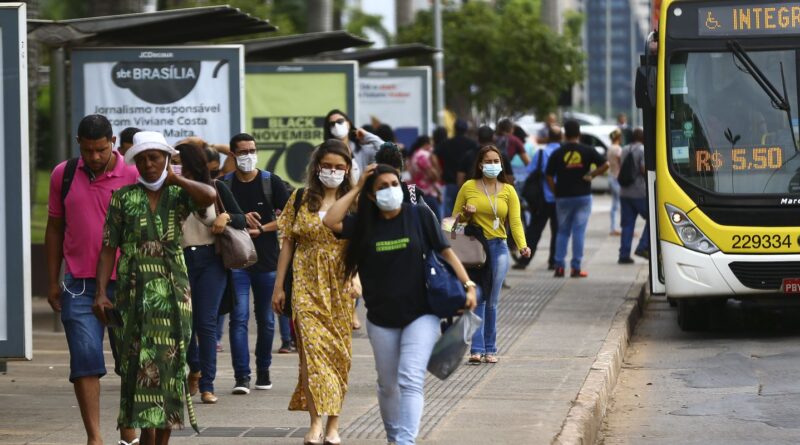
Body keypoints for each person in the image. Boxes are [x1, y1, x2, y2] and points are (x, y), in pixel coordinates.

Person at [323, 164, 478, 445]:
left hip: (422, 313)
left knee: (410, 379)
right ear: (371, 196)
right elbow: (330, 221)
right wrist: (357, 187)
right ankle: (395, 438)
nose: (390, 190)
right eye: (382, 187)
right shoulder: (363, 224)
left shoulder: (419, 215)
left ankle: (405, 441)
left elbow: (445, 250)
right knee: (387, 384)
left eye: (394, 184)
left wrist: (468, 284)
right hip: (381, 318)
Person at [94, 131, 216, 442]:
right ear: (135, 162)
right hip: (132, 291)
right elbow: (109, 247)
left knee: (169, 364)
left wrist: (178, 180)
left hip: (173, 290)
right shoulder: (123, 197)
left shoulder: (179, 195)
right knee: (135, 364)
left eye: (155, 157)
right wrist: (100, 293)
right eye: (143, 159)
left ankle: (160, 439)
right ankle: (143, 435)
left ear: (166, 160)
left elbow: (209, 197)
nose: (149, 164)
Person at [45, 114, 139, 445]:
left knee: (131, 359)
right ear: (78, 146)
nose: (95, 157)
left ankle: (128, 422)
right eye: (88, 151)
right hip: (79, 284)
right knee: (85, 359)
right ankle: (95, 437)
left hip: (127, 283)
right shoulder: (64, 174)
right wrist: (53, 281)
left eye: (101, 149)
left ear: (113, 143)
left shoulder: (133, 173)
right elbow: (55, 227)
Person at [272, 139, 357, 445]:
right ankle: (315, 422)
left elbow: (361, 245)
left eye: (339, 167)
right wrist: (279, 286)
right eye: (327, 166)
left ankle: (334, 424)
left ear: (347, 169)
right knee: (311, 355)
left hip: (340, 287)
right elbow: (287, 244)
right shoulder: (299, 198)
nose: (333, 171)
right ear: (317, 167)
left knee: (338, 356)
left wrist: (357, 278)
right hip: (305, 283)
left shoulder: (355, 201)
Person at [174, 142, 246, 404]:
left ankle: (207, 384)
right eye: (173, 162)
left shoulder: (215, 187)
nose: (174, 167)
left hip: (210, 260)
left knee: (205, 322)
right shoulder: (169, 189)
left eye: (179, 161)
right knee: (185, 323)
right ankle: (194, 368)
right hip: (179, 259)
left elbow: (240, 218)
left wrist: (224, 218)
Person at [221, 133, 291, 394]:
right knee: (238, 318)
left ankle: (263, 370)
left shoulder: (271, 181)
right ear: (233, 155)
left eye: (252, 150)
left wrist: (263, 228)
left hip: (267, 261)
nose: (248, 156)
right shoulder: (224, 184)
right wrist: (236, 219)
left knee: (266, 319)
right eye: (242, 152)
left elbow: (289, 218)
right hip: (236, 261)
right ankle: (242, 376)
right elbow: (216, 218)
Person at [453, 145, 530, 364]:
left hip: (498, 248)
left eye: (496, 162)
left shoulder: (508, 190)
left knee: (491, 299)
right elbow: (452, 222)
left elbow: (515, 222)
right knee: (479, 297)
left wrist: (523, 246)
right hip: (475, 249)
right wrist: (466, 216)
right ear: (480, 164)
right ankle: (476, 350)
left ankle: (490, 349)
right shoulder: (469, 187)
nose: (493, 165)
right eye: (488, 161)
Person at [545, 120, 609, 278]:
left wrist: (555, 191)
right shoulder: (587, 150)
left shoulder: (558, 152)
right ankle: (576, 268)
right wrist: (591, 175)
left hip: (563, 197)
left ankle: (559, 267)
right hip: (583, 196)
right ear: (579, 133)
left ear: (564, 134)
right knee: (578, 232)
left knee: (562, 231)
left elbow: (548, 175)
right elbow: (606, 164)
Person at [513, 125, 562, 271]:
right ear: (561, 138)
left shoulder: (541, 153)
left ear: (548, 138)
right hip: (560, 199)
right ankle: (554, 261)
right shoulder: (563, 153)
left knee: (535, 230)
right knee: (558, 231)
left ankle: (524, 260)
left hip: (542, 200)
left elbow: (530, 171)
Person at [618, 128, 650, 264]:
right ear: (643, 138)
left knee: (627, 224)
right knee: (653, 219)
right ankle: (643, 246)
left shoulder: (624, 149)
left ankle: (624, 255)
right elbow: (643, 168)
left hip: (624, 192)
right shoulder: (642, 150)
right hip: (639, 192)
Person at [324, 109, 383, 181]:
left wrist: (367, 136)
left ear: (348, 124)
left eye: (340, 121)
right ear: (329, 129)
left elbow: (387, 151)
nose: (336, 125)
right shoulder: (325, 152)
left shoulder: (362, 150)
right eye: (332, 124)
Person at [435, 119, 478, 217]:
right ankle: (462, 231)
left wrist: (439, 170)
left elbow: (434, 154)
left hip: (450, 182)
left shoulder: (446, 143)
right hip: (468, 183)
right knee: (466, 212)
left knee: (449, 212)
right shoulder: (472, 144)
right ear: (466, 130)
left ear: (454, 129)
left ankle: (450, 232)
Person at [408, 135, 443, 220]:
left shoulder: (414, 155)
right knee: (435, 222)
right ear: (426, 144)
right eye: (430, 144)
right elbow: (433, 176)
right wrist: (435, 164)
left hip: (417, 192)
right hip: (428, 193)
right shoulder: (423, 155)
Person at [607, 129, 623, 236]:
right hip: (617, 177)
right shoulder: (618, 149)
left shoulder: (609, 148)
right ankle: (618, 228)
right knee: (619, 204)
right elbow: (620, 161)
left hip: (611, 176)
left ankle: (613, 227)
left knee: (614, 203)